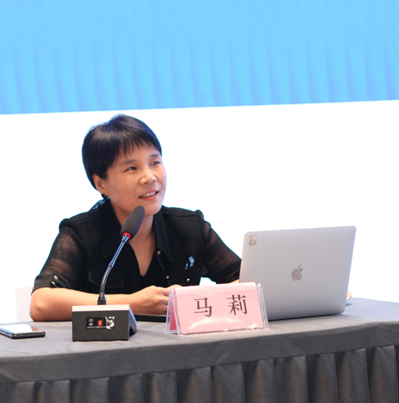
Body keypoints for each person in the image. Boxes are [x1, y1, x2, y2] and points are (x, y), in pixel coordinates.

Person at [30, 114, 241, 321]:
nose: (149, 177)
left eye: (155, 162)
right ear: (101, 184)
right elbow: (41, 303)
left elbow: (246, 282)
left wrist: (193, 300)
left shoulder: (190, 227)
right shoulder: (81, 233)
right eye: (132, 168)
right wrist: (131, 304)